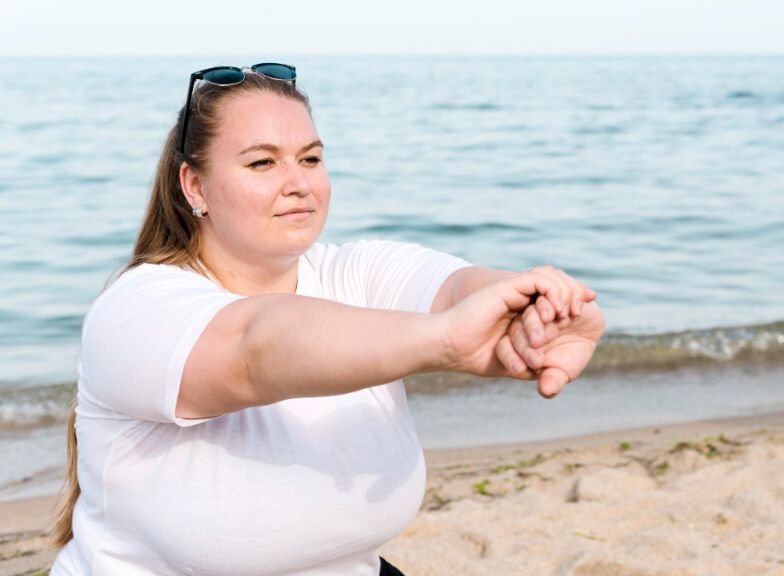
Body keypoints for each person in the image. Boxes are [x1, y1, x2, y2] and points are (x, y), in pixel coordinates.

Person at [46, 64, 605, 575]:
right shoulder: (136, 310)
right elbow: (255, 349)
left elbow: (456, 287)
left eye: (310, 158)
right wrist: (443, 341)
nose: (299, 182)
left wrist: (538, 310)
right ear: (195, 186)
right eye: (262, 162)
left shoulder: (356, 271)